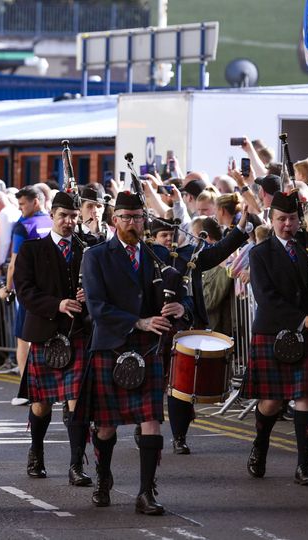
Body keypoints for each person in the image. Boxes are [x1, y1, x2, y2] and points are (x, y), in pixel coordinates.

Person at [81, 191, 192, 515]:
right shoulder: (97, 256)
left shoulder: (158, 254)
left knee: (151, 420)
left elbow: (184, 295)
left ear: (145, 220)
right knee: (105, 425)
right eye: (126, 217)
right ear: (114, 220)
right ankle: (103, 478)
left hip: (148, 347)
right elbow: (98, 307)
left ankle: (146, 491)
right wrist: (139, 321)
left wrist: (179, 307)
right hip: (113, 344)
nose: (132, 223)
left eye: (138, 218)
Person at [148, 210, 250, 455]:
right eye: (162, 236)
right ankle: (147, 427)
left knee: (179, 385)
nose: (167, 241)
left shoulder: (188, 256)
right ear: (152, 238)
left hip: (183, 327)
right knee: (150, 384)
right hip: (151, 328)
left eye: (170, 235)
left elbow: (217, 253)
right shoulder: (146, 257)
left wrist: (239, 229)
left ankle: (179, 437)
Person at [241, 191, 308, 487]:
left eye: (292, 218)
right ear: (271, 220)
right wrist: (301, 318)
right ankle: (260, 443)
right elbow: (266, 297)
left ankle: (304, 466)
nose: (287, 224)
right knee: (272, 401)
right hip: (274, 330)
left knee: (304, 397)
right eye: (281, 219)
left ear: (299, 219)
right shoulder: (260, 254)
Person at [13, 191, 92, 486]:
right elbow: (24, 290)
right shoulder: (32, 250)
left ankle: (76, 464)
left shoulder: (88, 250)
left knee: (77, 401)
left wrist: (90, 296)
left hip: (78, 333)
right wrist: (57, 304)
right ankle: (36, 450)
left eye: (73, 217)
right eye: (63, 216)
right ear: (52, 216)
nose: (69, 222)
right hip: (45, 333)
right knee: (41, 404)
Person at [6, 185, 53, 405]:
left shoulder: (23, 226)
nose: (20, 209)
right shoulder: (51, 221)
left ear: (36, 201)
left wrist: (7, 288)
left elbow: (14, 262)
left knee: (23, 339)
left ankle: (27, 390)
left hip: (28, 292)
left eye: (23, 204)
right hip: (50, 291)